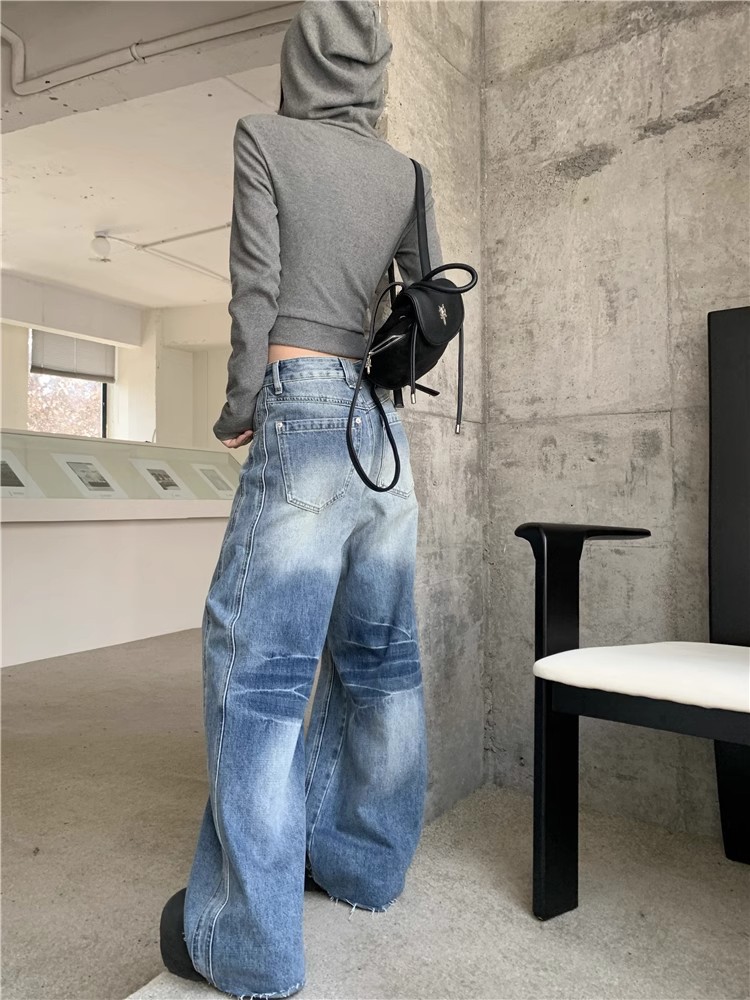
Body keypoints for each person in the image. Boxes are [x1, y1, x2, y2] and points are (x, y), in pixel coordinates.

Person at [159, 1, 444, 997]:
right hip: (383, 428)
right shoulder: (407, 173)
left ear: (302, 59)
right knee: (382, 659)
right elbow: (423, 301)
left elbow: (255, 285)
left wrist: (242, 405)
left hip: (303, 406)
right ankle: (363, 867)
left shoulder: (264, 138)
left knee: (259, 670)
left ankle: (248, 945)